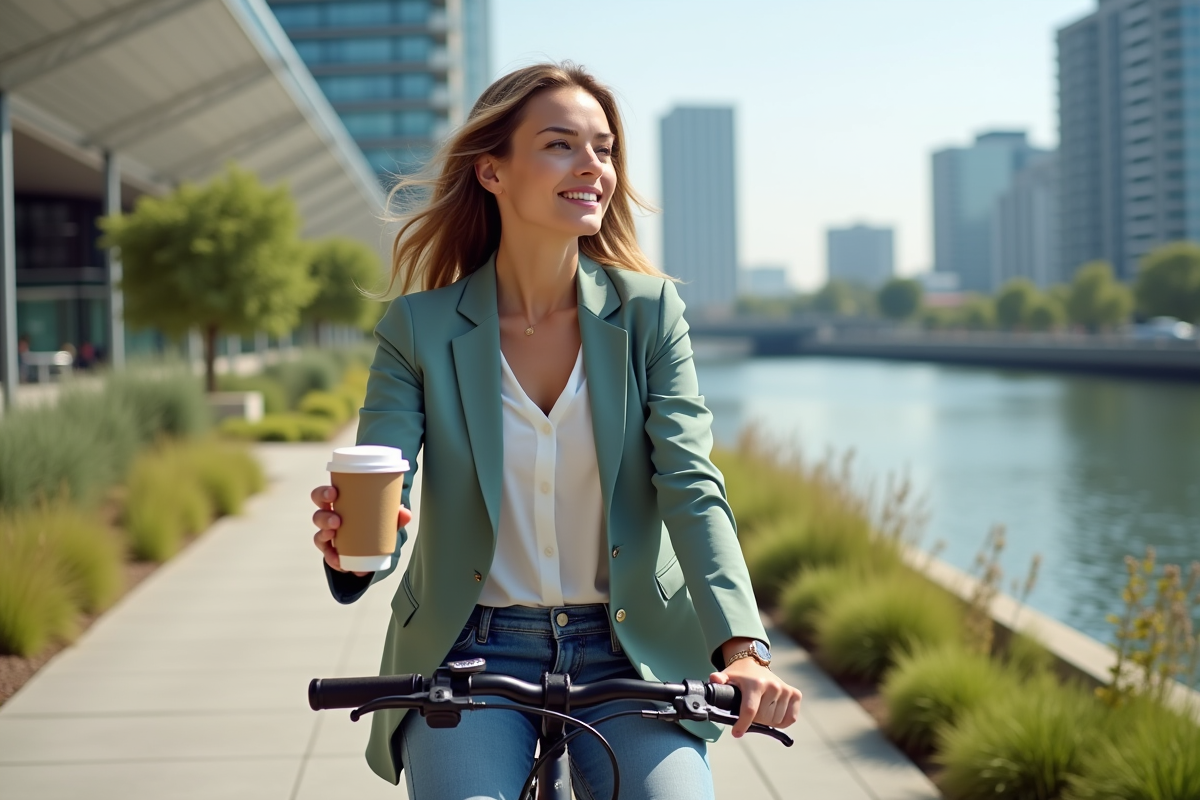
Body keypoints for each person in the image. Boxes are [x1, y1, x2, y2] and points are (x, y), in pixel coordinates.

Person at [309, 62, 802, 800]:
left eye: (603, 148)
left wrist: (744, 648)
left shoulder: (649, 315)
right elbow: (386, 484)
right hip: (470, 648)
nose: (593, 167)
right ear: (492, 171)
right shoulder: (419, 328)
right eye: (561, 145)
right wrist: (351, 552)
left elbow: (692, 488)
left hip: (627, 653)